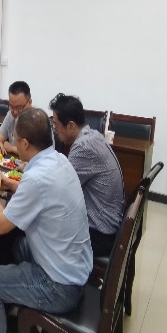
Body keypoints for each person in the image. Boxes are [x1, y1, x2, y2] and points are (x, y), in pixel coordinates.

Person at [0, 108, 92, 333]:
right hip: (74, 267)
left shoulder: (37, 178)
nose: (14, 143)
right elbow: (40, 193)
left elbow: (1, 224)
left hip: (59, 286)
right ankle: (12, 309)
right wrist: (11, 185)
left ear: (25, 143)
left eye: (16, 139)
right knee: (14, 246)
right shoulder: (59, 160)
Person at [49, 93, 125, 258]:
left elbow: (58, 189)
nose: (55, 130)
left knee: (41, 224)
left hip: (100, 234)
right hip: (109, 223)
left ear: (70, 126)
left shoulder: (83, 147)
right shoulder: (93, 135)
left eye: (56, 125)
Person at [0, 81, 33, 156]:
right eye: (11, 107)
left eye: (19, 108)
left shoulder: (38, 122)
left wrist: (11, 148)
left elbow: (36, 155)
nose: (15, 112)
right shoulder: (10, 116)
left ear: (29, 103)